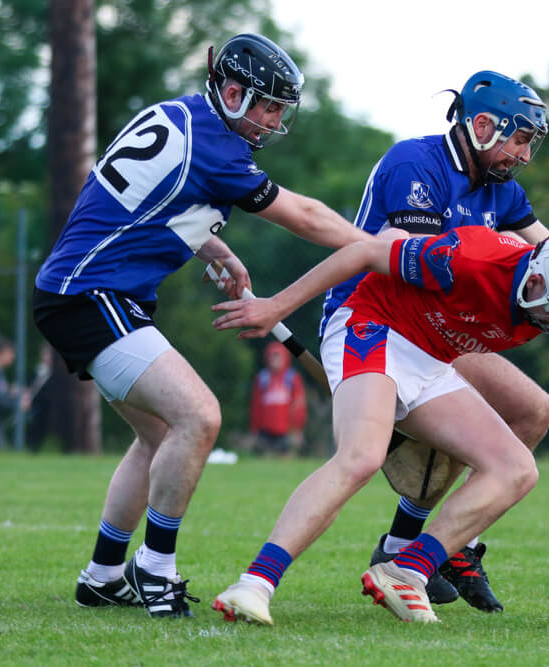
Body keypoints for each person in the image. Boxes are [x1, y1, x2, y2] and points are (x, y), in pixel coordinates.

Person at [32, 33, 376, 619]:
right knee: (199, 416)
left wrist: (213, 249)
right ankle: (155, 567)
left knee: (161, 436)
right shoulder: (217, 145)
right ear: (235, 93)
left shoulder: (182, 115)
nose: (272, 121)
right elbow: (307, 217)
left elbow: (152, 201)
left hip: (83, 292)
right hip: (91, 295)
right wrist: (381, 251)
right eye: (267, 106)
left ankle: (102, 575)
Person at [315, 71, 549, 612]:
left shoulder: (503, 189)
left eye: (531, 142)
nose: (524, 153)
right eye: (519, 138)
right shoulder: (417, 164)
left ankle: (421, 548)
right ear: (482, 126)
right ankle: (418, 550)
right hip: (381, 318)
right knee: (487, 423)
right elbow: (414, 272)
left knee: (533, 410)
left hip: (443, 327)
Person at [209, 226, 549, 625]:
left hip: (431, 359)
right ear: (537, 281)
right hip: (371, 327)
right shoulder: (468, 258)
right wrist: (278, 306)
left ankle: (406, 571)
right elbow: (361, 253)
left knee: (516, 468)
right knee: (361, 456)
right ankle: (254, 584)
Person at [248, 342, 307, 456]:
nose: (275, 361)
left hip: (286, 431)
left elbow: (299, 405)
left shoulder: (292, 378)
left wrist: (297, 429)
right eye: (272, 358)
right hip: (265, 432)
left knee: (285, 461)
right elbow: (255, 406)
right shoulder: (262, 378)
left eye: (278, 357)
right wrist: (254, 429)